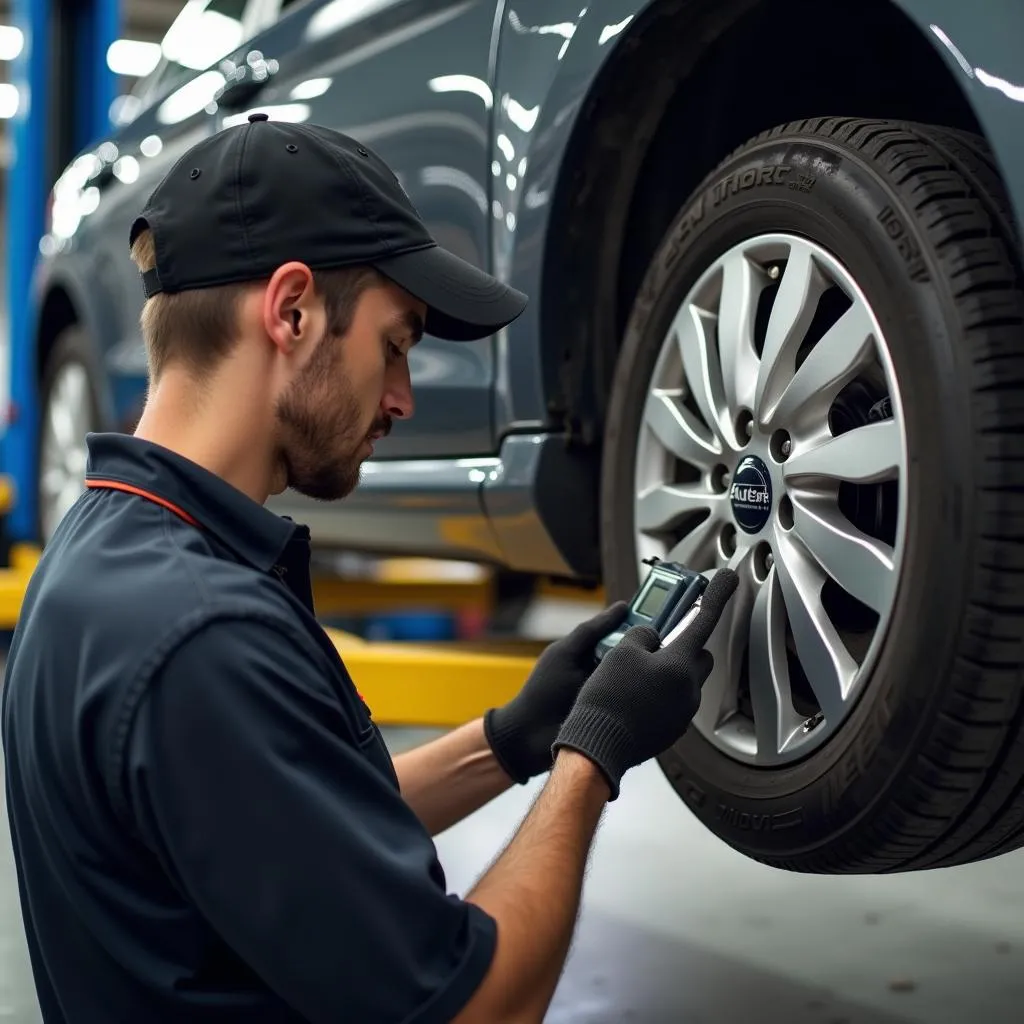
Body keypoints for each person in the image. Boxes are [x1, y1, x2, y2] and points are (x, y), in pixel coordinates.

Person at [1, 114, 737, 1024]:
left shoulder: (100, 556)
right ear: (292, 310)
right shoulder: (202, 637)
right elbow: (478, 1007)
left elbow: (291, 829)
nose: (402, 396)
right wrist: (595, 754)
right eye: (396, 343)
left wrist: (511, 738)